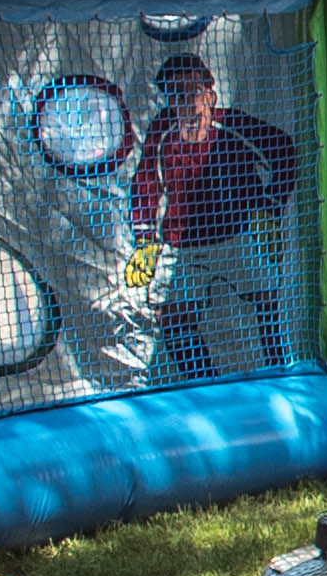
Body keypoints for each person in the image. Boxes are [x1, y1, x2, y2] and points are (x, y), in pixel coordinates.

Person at [130, 50, 304, 379]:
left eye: (192, 92)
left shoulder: (233, 124)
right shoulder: (162, 132)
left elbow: (283, 149)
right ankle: (203, 382)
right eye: (175, 95)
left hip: (234, 236)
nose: (186, 104)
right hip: (186, 245)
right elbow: (146, 182)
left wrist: (269, 207)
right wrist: (144, 240)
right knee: (174, 318)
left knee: (266, 302)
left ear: (210, 93)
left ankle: (280, 374)